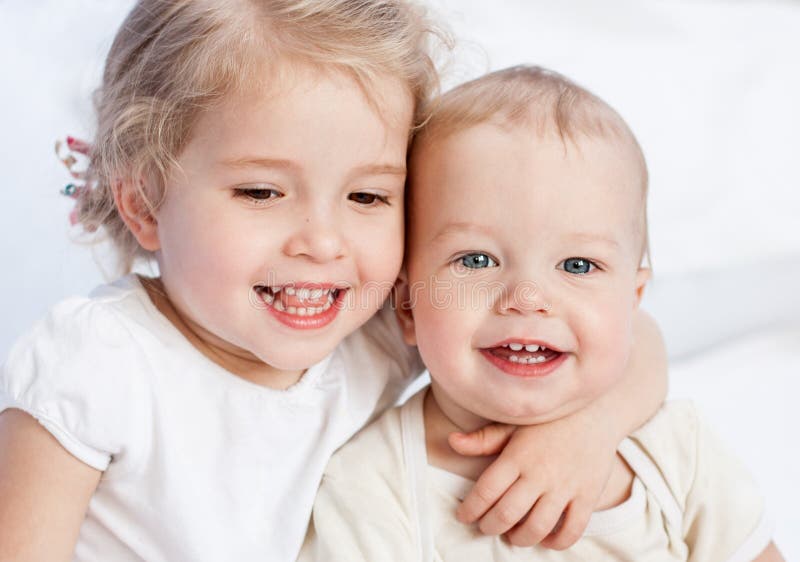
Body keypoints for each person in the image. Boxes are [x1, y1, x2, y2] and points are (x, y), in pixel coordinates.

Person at [0, 2, 667, 559]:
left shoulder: (372, 332)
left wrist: (586, 428)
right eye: (262, 192)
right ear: (145, 201)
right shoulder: (97, 364)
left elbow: (635, 335)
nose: (323, 242)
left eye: (368, 198)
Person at [301, 66, 783, 561]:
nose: (527, 298)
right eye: (476, 259)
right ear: (407, 304)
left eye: (578, 265)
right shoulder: (371, 486)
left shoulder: (677, 450)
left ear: (633, 300)